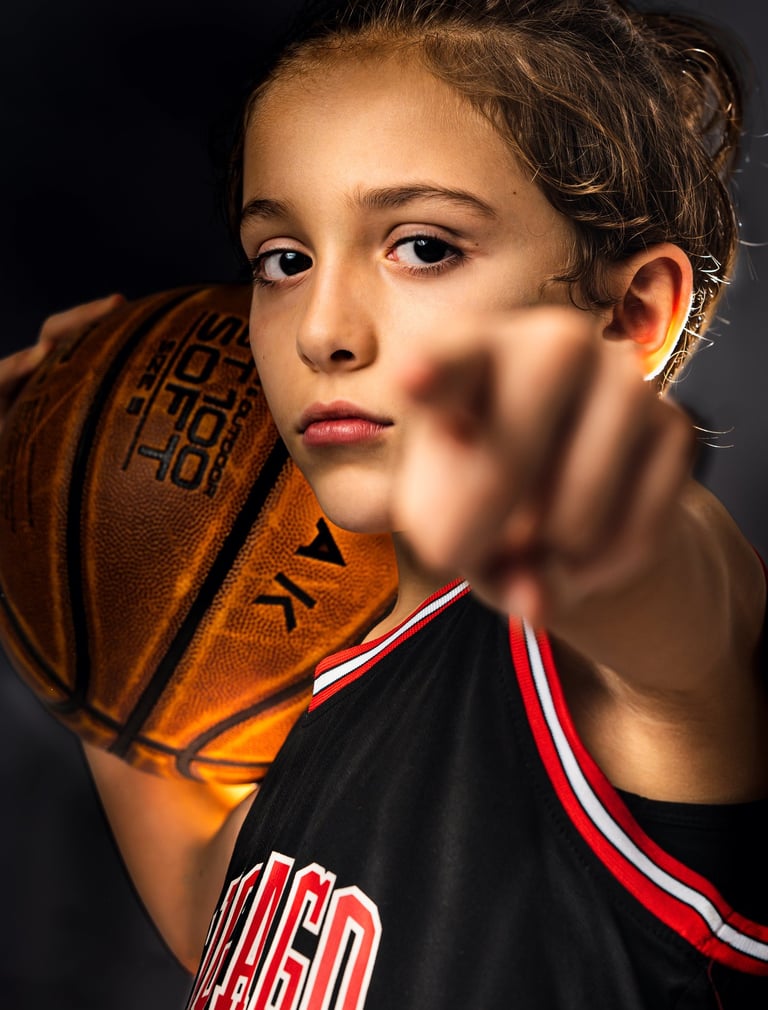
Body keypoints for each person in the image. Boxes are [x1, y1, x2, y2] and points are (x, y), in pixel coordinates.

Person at [2, 0, 767, 1006]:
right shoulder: (348, 693)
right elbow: (216, 911)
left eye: (424, 247)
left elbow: (673, 598)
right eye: (284, 260)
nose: (322, 328)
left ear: (631, 315)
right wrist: (58, 518)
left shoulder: (615, 662)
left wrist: (600, 517)